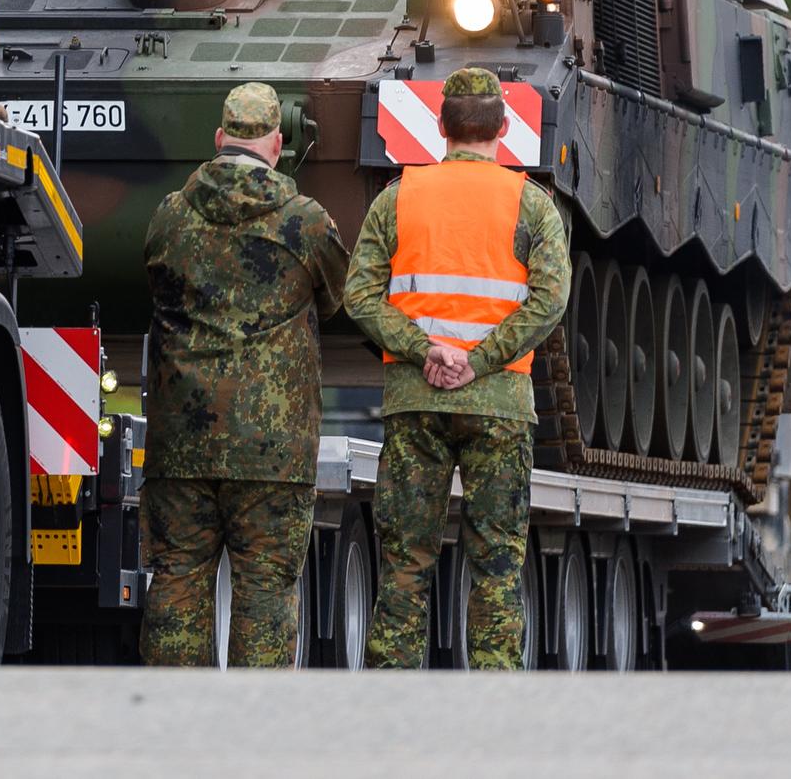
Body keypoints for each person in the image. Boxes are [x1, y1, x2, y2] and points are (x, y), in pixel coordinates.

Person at [344, 66, 571, 668]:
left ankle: (393, 711)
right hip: (498, 407)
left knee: (404, 563)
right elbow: (550, 300)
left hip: (415, 404)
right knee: (497, 564)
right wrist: (480, 361)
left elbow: (360, 297)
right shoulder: (533, 205)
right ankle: (491, 712)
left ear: (440, 127)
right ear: (502, 126)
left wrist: (427, 351)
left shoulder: (398, 198)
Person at [139, 81, 349, 667]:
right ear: (278, 145)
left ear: (217, 141)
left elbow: (156, 288)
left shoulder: (170, 216)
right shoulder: (305, 223)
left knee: (176, 581)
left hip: (180, 444)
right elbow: (336, 298)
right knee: (265, 593)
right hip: (272, 454)